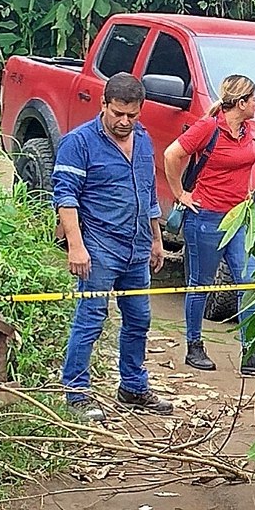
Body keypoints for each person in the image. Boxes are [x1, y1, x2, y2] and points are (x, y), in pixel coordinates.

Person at [53, 73, 174, 418]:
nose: (124, 121)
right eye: (117, 113)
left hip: (137, 248)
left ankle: (133, 387)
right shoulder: (79, 143)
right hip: (99, 248)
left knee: (139, 320)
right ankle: (76, 393)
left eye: (131, 115)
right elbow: (65, 198)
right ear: (103, 104)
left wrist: (156, 239)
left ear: (141, 110)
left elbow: (149, 193)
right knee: (91, 318)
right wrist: (76, 247)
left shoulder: (144, 140)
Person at [161, 73, 255, 378]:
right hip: (205, 216)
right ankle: (194, 345)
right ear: (241, 102)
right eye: (254, 98)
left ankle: (250, 352)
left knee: (248, 280)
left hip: (238, 218)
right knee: (201, 284)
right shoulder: (208, 127)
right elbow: (172, 154)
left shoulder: (246, 130)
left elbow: (247, 163)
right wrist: (180, 193)